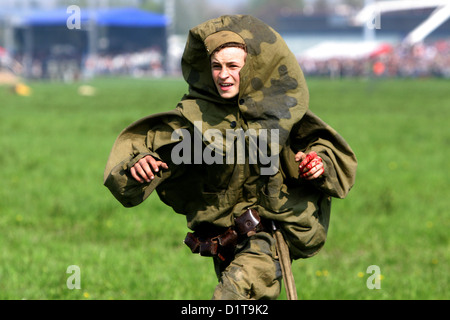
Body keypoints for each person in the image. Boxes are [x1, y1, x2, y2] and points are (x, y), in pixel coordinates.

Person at [104, 15, 357, 300]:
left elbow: (325, 150)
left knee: (230, 295)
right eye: (216, 66)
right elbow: (151, 147)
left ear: (250, 68)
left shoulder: (282, 113)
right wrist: (140, 163)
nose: (223, 74)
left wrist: (318, 164)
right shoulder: (197, 118)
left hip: (269, 236)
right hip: (225, 240)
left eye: (233, 66)